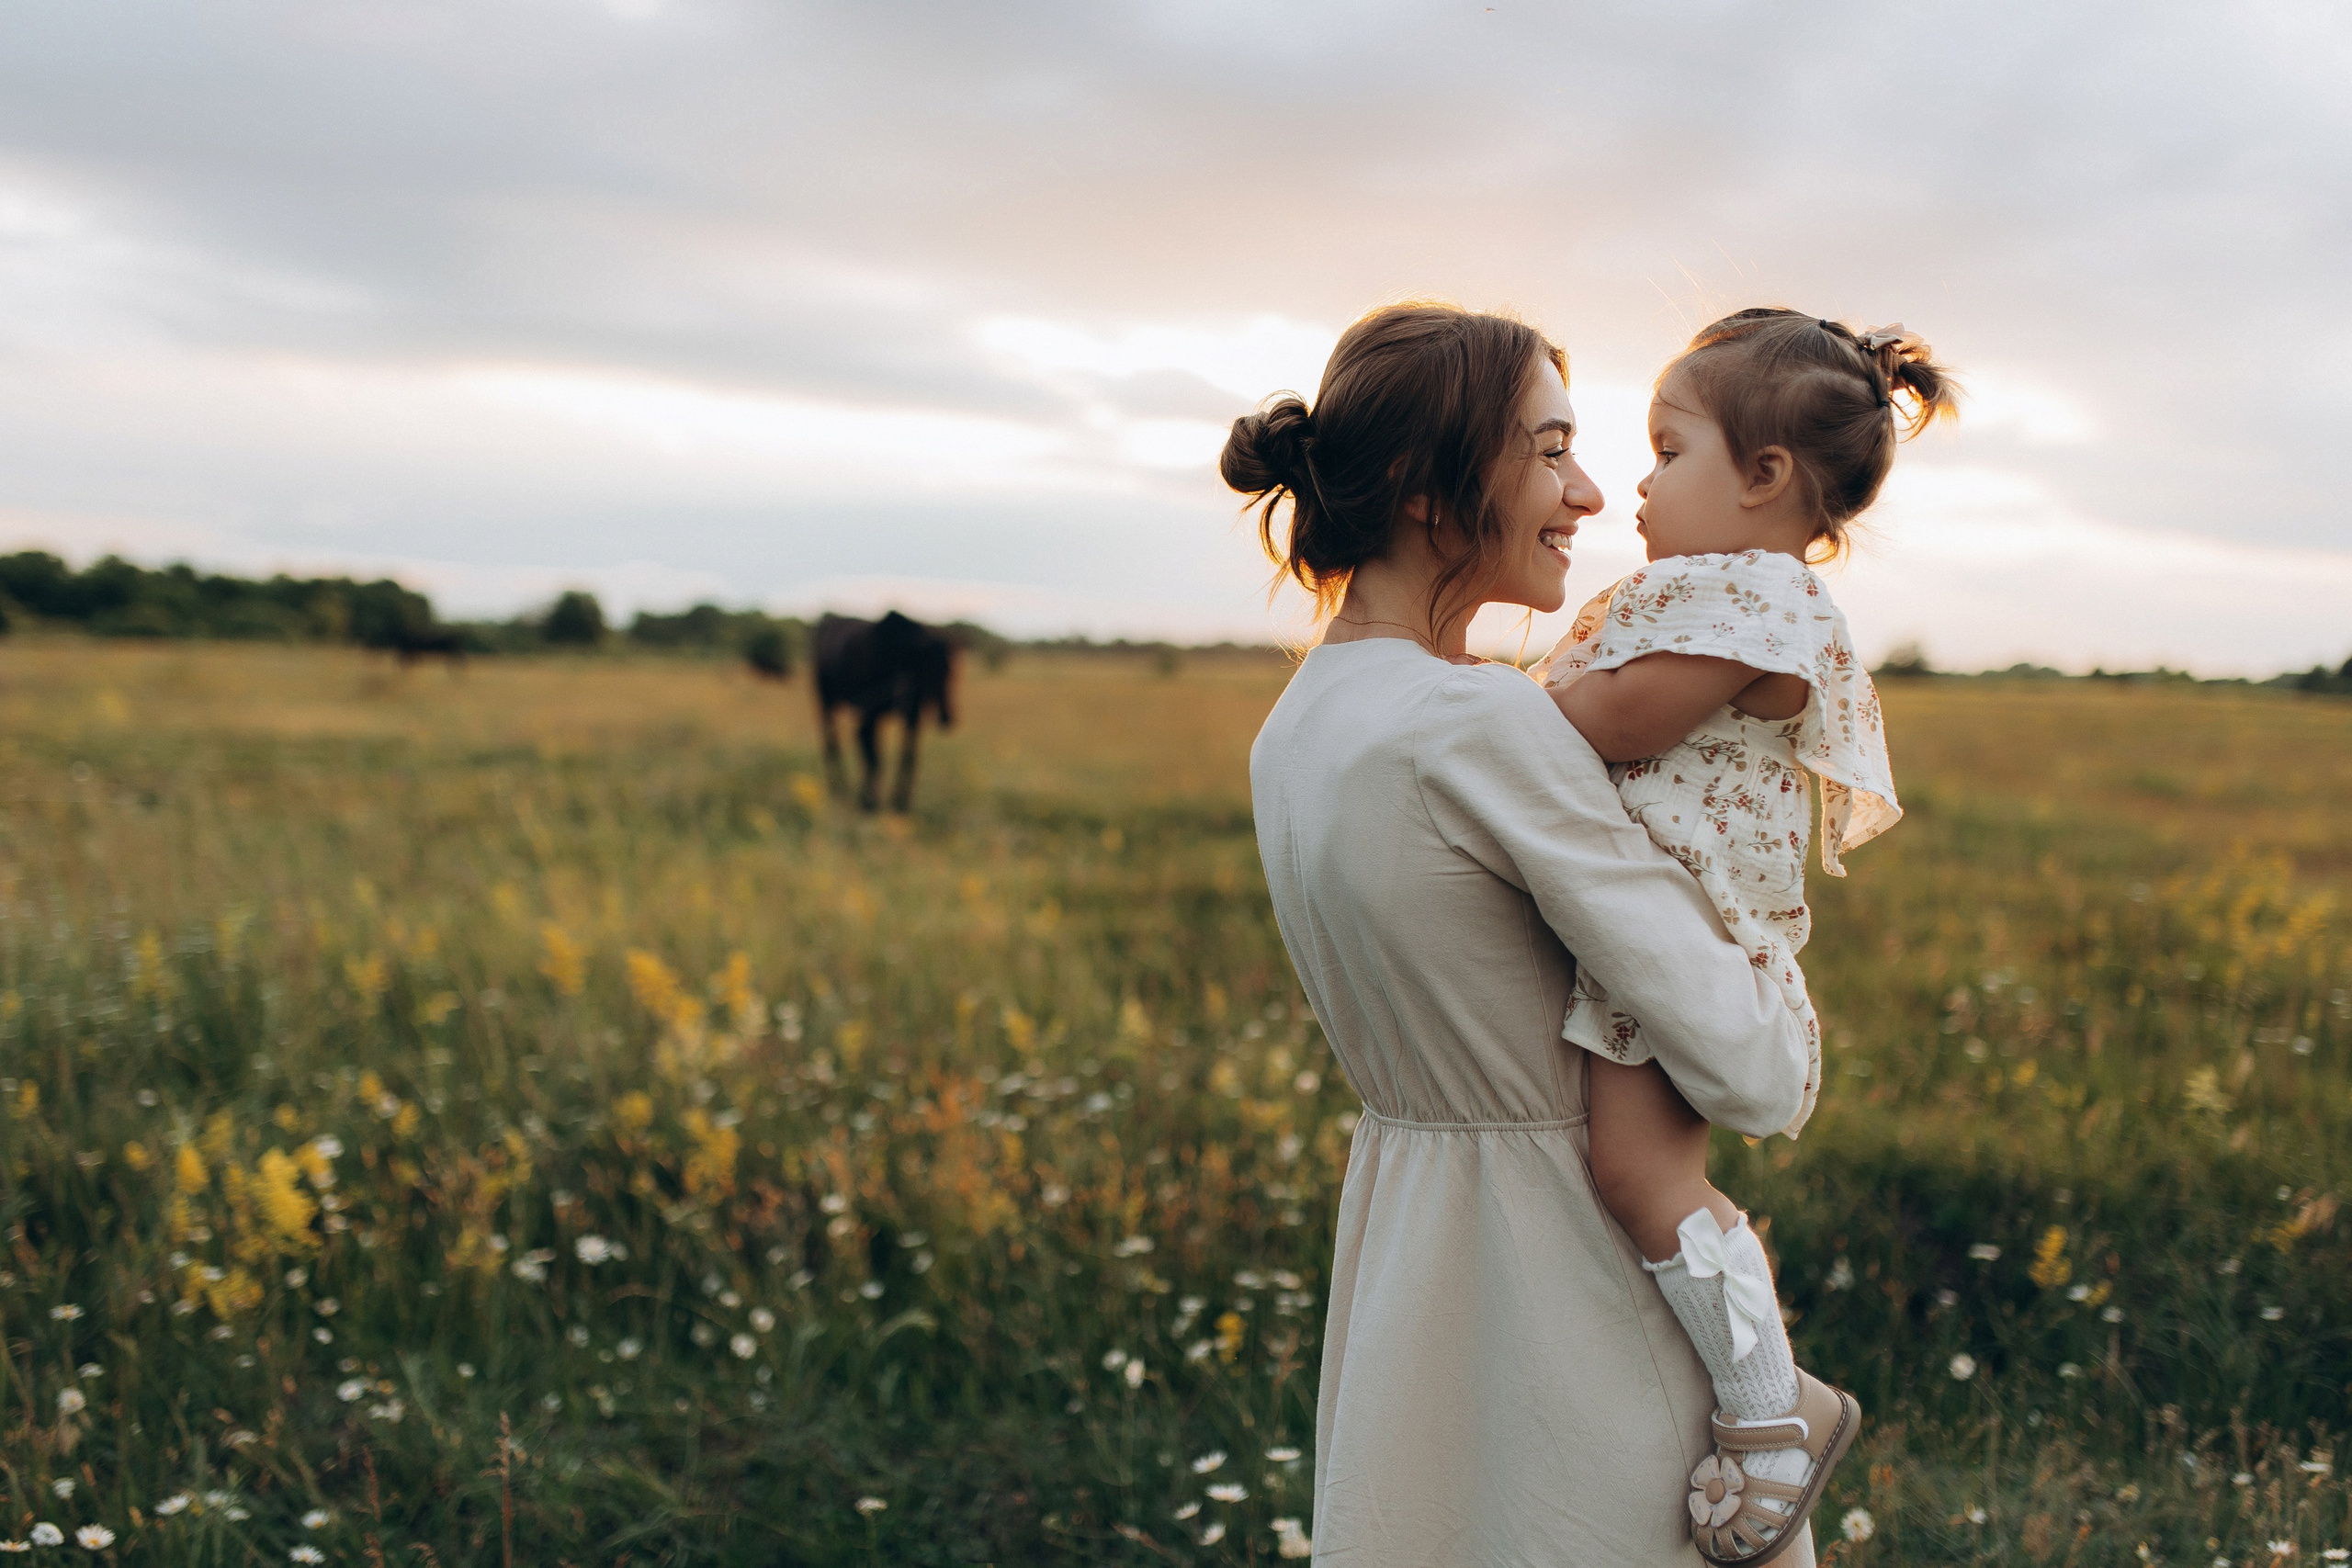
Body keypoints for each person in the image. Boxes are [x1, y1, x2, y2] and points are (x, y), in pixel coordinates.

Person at [1227, 300, 1816, 1565]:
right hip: (1572, 1305)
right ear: (1422, 487)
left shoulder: (1295, 728)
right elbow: (1749, 1071)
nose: (1591, 493)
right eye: (1551, 452)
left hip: (1411, 1272)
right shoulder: (1479, 723)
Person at [1532, 308, 1959, 1562]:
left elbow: (1618, 721)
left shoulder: (1762, 602)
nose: (1639, 485)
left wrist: (1471, 709)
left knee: (1643, 1178)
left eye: (1668, 451)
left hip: (1682, 949)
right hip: (1644, 930)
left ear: (1765, 475)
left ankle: (1774, 1412)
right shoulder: (1724, 592)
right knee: (1611, 1178)